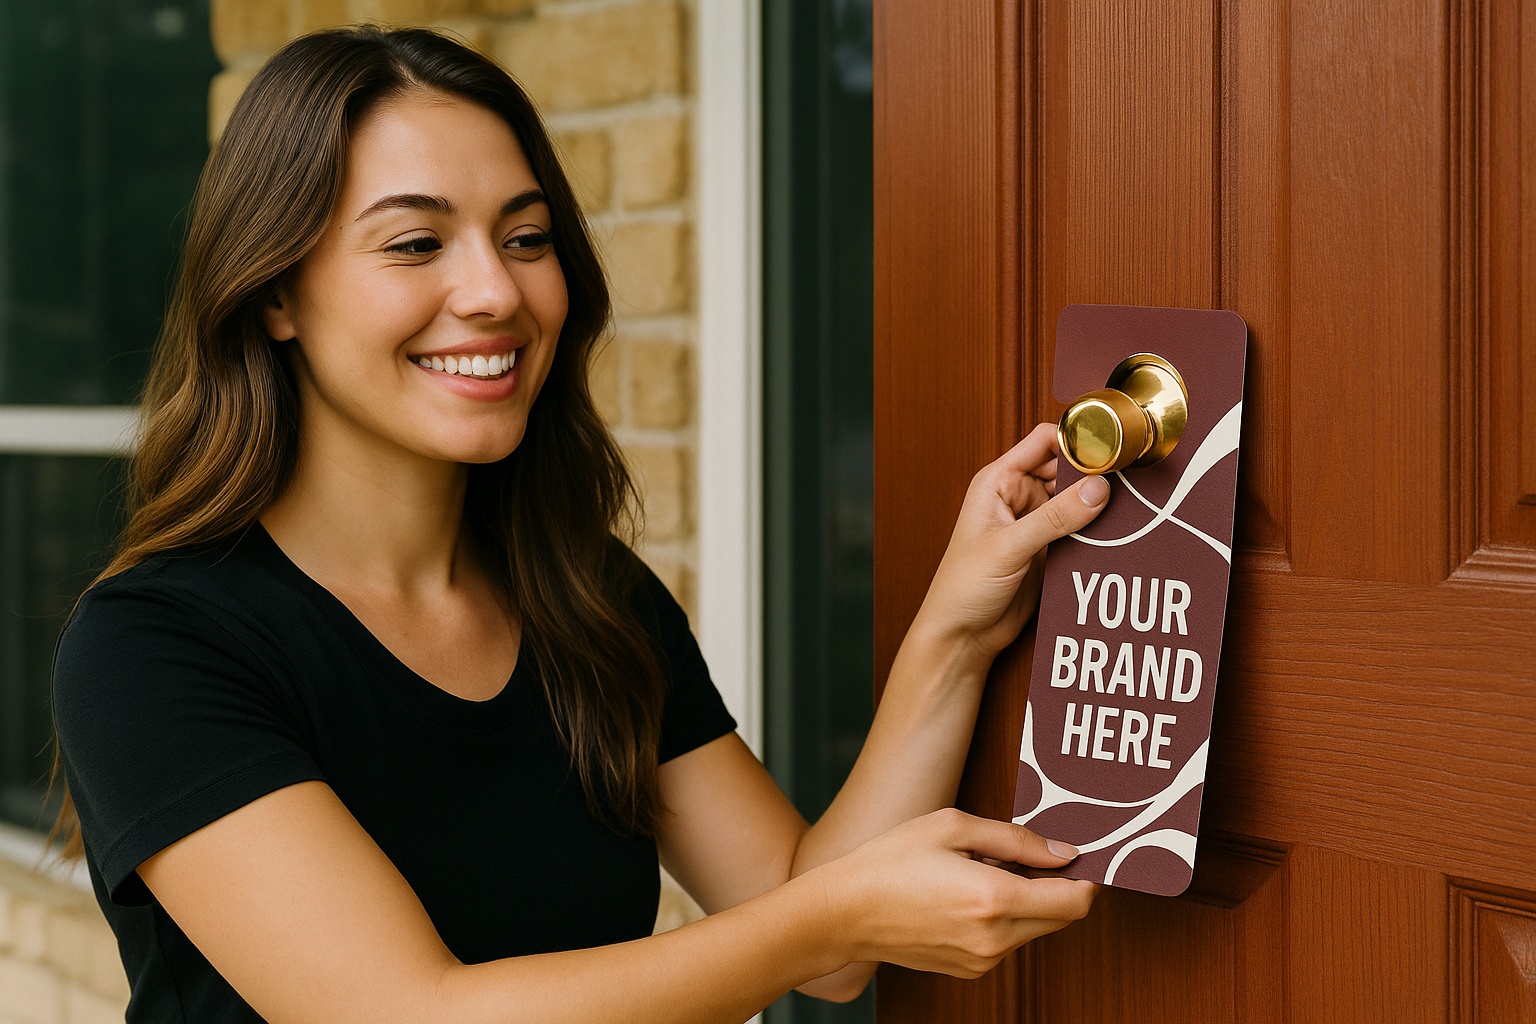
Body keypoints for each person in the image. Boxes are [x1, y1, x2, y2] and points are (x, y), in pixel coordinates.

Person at [49, 25, 1113, 1024]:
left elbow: (823, 941)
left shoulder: (587, 599)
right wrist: (830, 917)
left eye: (526, 237)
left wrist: (956, 630)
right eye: (416, 242)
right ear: (275, 294)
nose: (494, 292)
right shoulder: (152, 648)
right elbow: (410, 1013)